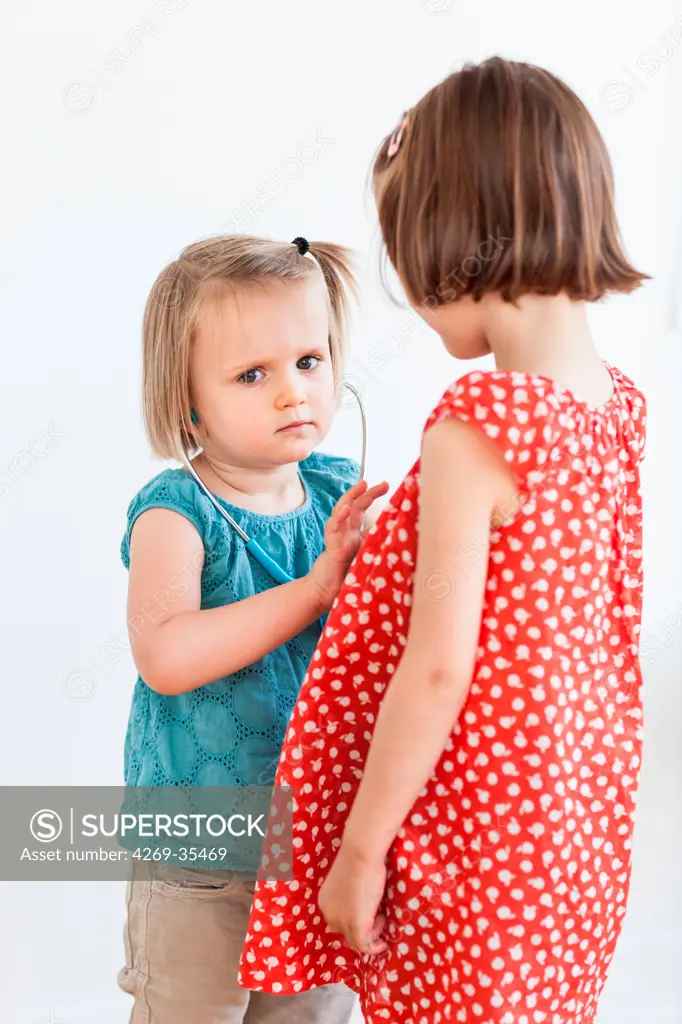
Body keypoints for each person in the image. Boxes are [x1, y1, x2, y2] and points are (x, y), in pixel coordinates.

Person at [238, 58, 649, 1024]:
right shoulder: (613, 409)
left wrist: (361, 852)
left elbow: (437, 669)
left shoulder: (480, 425)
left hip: (477, 836)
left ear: (454, 245)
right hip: (574, 835)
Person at [116, 232, 388, 1023]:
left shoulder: (343, 493)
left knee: (307, 1013)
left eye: (309, 361)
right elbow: (165, 653)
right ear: (187, 397)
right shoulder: (177, 511)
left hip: (318, 841)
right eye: (251, 374)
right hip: (200, 849)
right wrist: (314, 590)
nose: (291, 393)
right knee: (192, 1008)